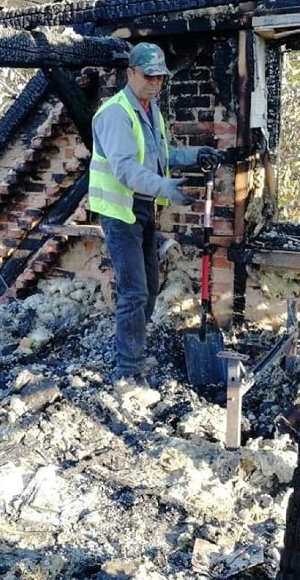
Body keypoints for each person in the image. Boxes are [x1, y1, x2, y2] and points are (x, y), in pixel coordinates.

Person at [89, 42, 223, 385]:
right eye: (149, 76)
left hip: (143, 209)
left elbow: (162, 155)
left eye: (160, 77)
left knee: (149, 286)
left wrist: (195, 155)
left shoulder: (149, 111)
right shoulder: (115, 114)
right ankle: (127, 369)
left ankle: (134, 350)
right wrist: (166, 188)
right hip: (121, 214)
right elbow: (125, 170)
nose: (156, 83)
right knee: (133, 291)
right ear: (130, 73)